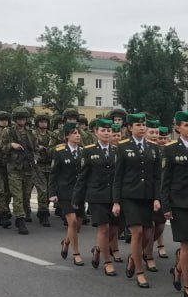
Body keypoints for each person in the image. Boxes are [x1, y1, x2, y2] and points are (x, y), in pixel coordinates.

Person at [111, 113, 162, 287]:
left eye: (143, 125)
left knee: (148, 234)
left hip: (147, 196)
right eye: (138, 125)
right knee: (137, 232)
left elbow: (157, 176)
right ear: (130, 128)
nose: (142, 128)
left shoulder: (153, 148)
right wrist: (116, 201)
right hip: (130, 196)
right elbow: (118, 176)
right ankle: (140, 271)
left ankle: (134, 257)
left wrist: (157, 198)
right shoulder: (123, 147)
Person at [161, 111, 188, 297]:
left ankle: (179, 269)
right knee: (187, 244)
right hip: (179, 203)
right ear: (177, 128)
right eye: (186, 125)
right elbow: (165, 180)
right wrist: (166, 206)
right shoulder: (170, 149)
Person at [73, 118, 119, 272]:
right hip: (97, 196)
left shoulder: (117, 151)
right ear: (96, 132)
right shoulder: (88, 151)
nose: (106, 133)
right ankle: (107, 262)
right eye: (103, 130)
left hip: (114, 196)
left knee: (114, 230)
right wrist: (77, 198)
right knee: (103, 229)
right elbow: (82, 176)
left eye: (108, 130)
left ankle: (99, 249)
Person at [49, 123, 85, 263]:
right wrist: (52, 192)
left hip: (79, 192)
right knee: (73, 221)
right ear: (67, 136)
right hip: (64, 191)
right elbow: (53, 173)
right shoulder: (59, 151)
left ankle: (66, 241)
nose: (77, 135)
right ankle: (76, 253)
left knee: (78, 224)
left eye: (78, 133)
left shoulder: (83, 152)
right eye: (74, 133)